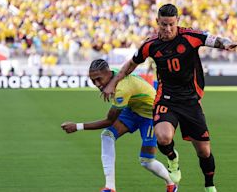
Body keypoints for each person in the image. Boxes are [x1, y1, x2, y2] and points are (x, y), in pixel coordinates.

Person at [102, 4, 237, 192]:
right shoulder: (151, 45)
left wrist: (226, 42)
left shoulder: (190, 36)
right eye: (163, 24)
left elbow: (213, 39)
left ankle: (209, 185)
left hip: (191, 101)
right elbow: (130, 64)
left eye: (171, 25)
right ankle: (172, 159)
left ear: (177, 22)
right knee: (164, 137)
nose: (167, 29)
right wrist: (112, 83)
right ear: (157, 22)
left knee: (204, 151)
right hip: (166, 99)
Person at [61, 59, 177, 192]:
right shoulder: (115, 74)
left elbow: (109, 120)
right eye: (93, 81)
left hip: (151, 115)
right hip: (133, 109)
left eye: (99, 79)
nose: (97, 84)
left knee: (146, 161)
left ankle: (171, 184)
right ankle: (110, 187)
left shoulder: (122, 88)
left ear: (109, 73)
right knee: (107, 135)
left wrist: (77, 126)